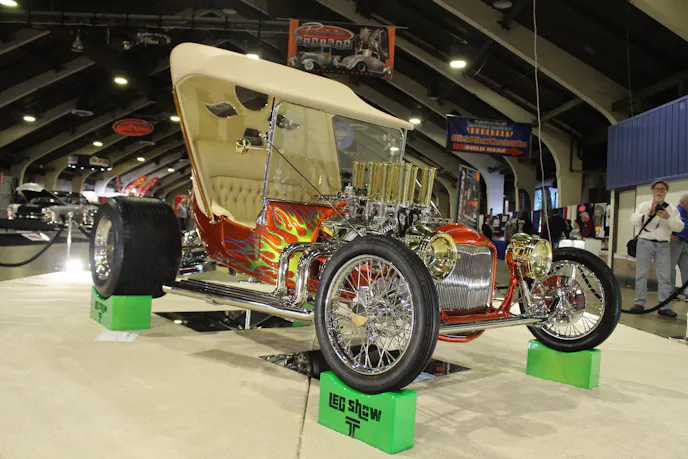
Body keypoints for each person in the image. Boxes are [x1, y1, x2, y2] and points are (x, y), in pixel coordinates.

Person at [630, 180, 685, 317]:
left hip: (663, 245)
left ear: (666, 192)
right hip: (644, 242)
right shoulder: (644, 206)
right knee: (641, 274)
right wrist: (647, 215)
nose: (660, 191)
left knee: (665, 276)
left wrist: (668, 217)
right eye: (657, 189)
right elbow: (633, 220)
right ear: (653, 190)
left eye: (662, 189)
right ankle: (639, 303)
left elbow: (680, 227)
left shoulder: (671, 209)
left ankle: (664, 306)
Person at [670, 193, 688, 301]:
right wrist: (670, 235)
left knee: (686, 270)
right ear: (684, 202)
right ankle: (671, 293)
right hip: (676, 243)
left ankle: (687, 293)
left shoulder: (686, 213)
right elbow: (667, 224)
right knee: (671, 269)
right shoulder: (675, 211)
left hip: (686, 244)